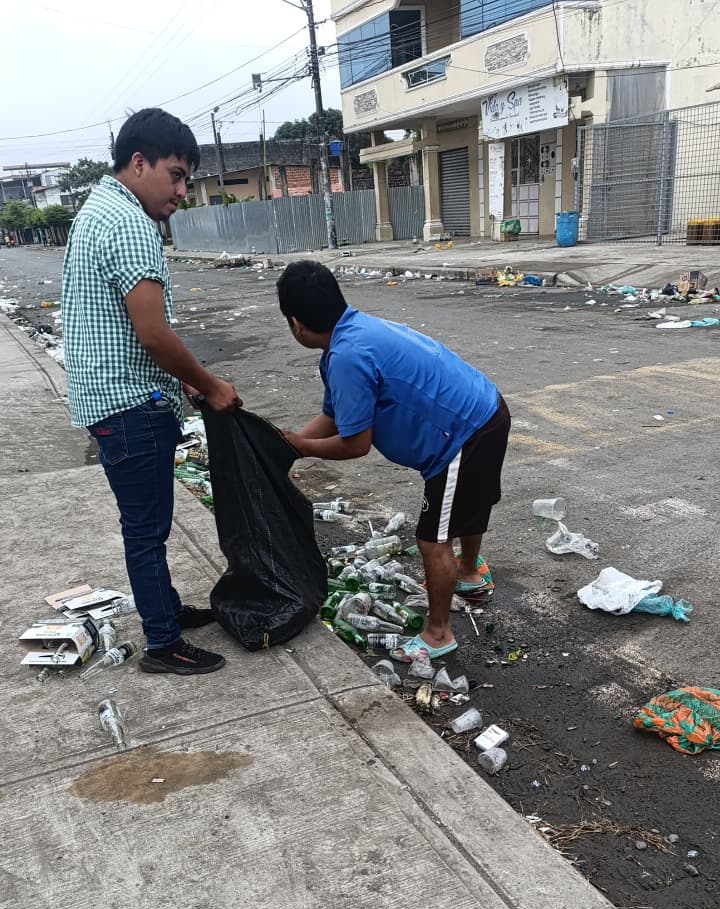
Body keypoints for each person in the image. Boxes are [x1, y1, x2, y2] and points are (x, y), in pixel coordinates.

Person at [62, 107, 241, 675]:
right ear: (139, 163)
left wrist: (179, 376)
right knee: (145, 531)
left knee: (146, 525)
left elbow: (120, 326)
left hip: (108, 399)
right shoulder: (130, 224)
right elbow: (154, 333)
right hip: (129, 406)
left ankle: (165, 608)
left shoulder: (97, 209)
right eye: (176, 175)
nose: (182, 191)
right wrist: (210, 384)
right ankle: (164, 643)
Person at [276, 260, 511, 659]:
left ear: (296, 323)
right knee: (464, 505)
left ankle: (438, 634)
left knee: (432, 539)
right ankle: (469, 573)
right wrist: (288, 446)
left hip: (463, 436)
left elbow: (355, 444)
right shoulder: (352, 334)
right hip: (485, 410)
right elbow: (334, 416)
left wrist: (302, 447)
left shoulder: (347, 355)